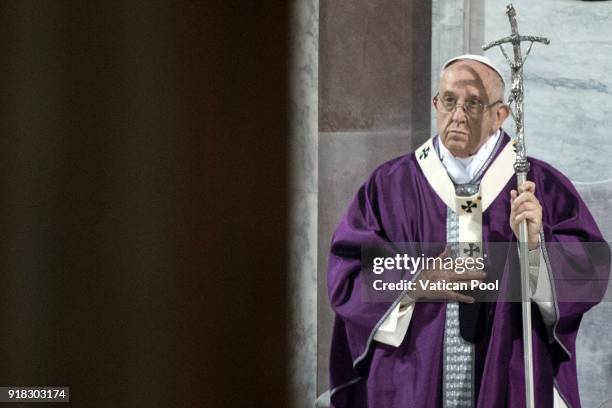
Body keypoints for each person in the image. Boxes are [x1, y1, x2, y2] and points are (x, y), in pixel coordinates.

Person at [326, 54, 610, 408]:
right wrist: (415, 282)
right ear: (436, 104)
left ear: (500, 115)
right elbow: (347, 273)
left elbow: (591, 270)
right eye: (449, 101)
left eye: (473, 103)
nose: (457, 115)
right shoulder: (389, 186)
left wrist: (537, 246)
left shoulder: (538, 186)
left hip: (508, 369)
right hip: (413, 374)